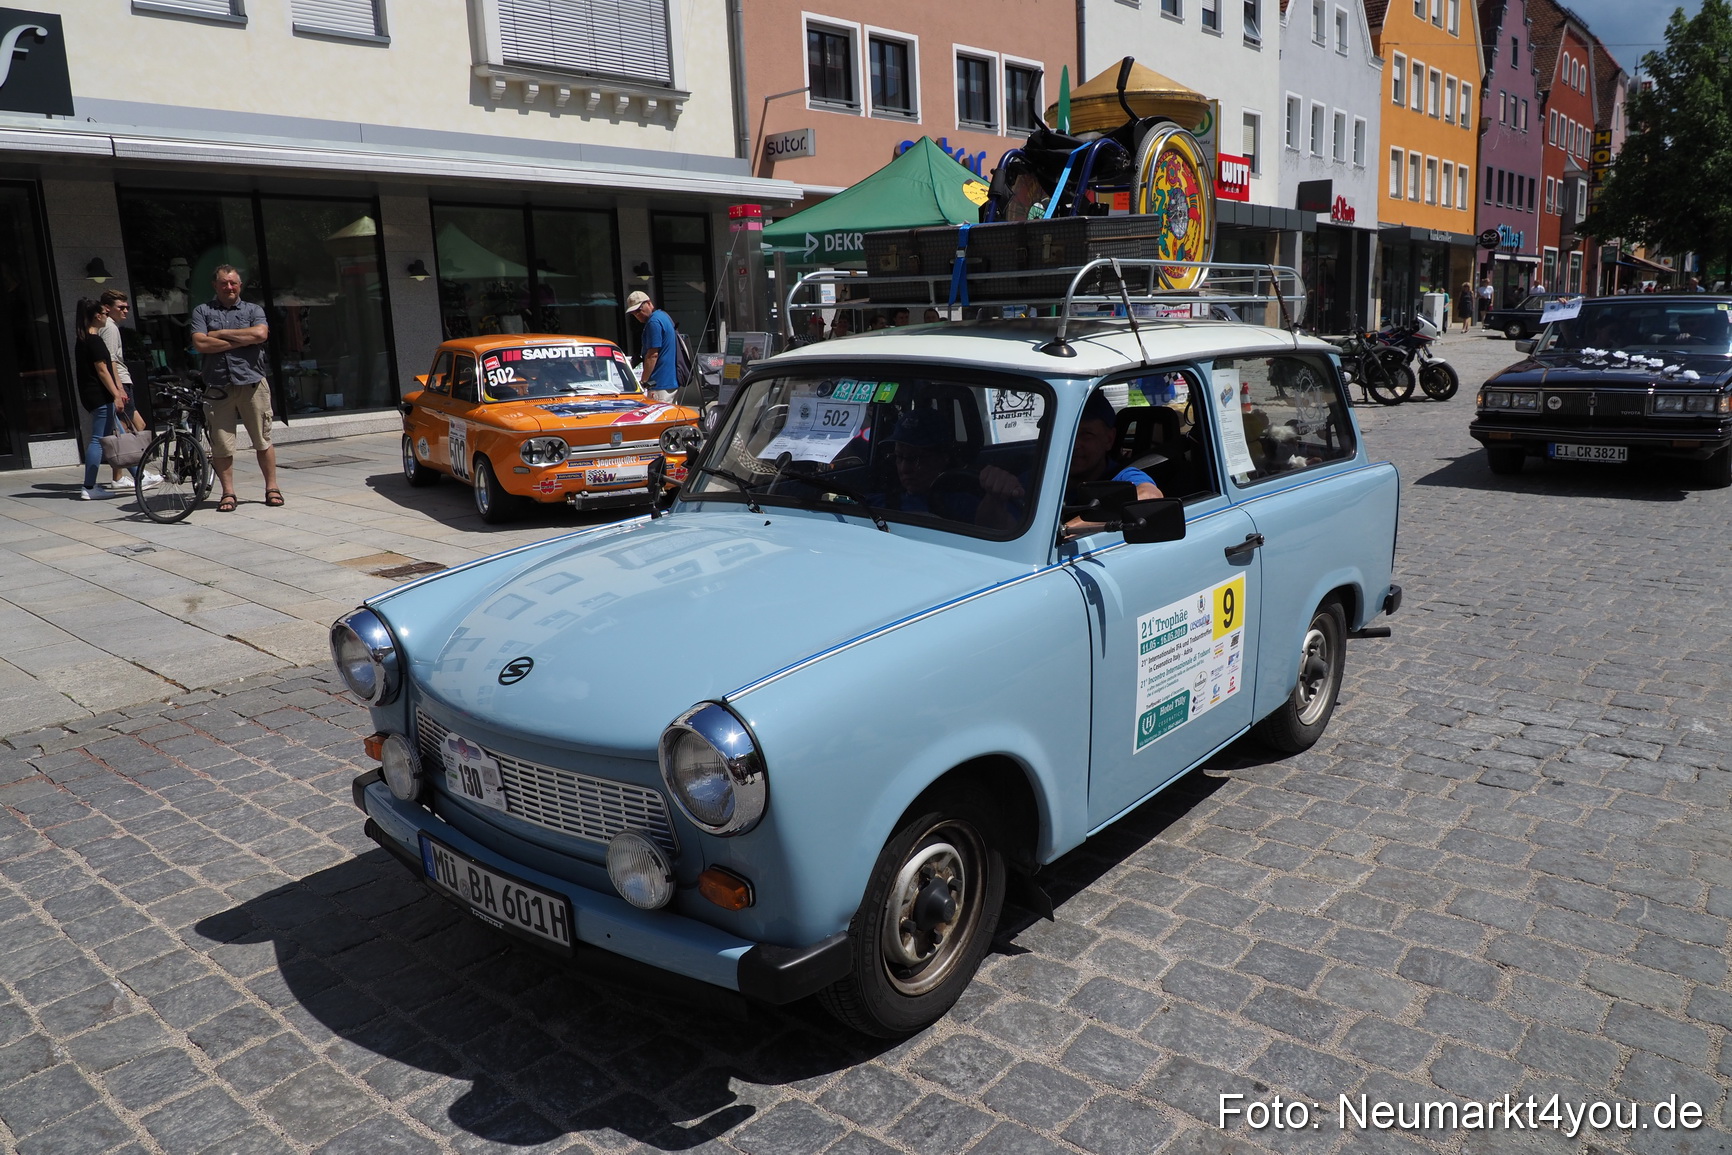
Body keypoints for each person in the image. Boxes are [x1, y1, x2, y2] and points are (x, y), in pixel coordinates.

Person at [192, 265, 282, 511]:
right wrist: (243, 339)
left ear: (240, 285)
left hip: (252, 383)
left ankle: (272, 488)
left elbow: (261, 334)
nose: (229, 287)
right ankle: (228, 493)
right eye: (224, 283)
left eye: (233, 283)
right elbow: (200, 342)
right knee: (221, 445)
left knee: (262, 440)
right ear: (216, 285)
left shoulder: (254, 309)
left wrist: (220, 334)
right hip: (217, 385)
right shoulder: (202, 310)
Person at [97, 289, 161, 491]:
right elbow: (110, 360)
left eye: (127, 307)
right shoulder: (109, 328)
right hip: (121, 382)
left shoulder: (106, 326)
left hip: (121, 382)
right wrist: (118, 389)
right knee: (131, 429)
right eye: (121, 307)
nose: (125, 311)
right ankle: (132, 473)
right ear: (107, 308)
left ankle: (124, 474)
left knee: (130, 428)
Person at [74, 299, 136, 501]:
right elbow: (103, 370)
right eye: (105, 313)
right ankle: (89, 486)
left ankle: (140, 475)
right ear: (97, 316)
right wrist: (116, 394)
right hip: (100, 396)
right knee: (98, 440)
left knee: (119, 436)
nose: (108, 316)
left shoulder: (82, 339)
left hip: (93, 396)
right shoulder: (94, 340)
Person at [626, 290, 678, 401]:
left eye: (639, 310)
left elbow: (652, 355)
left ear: (649, 303)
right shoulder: (663, 316)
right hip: (669, 382)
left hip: (659, 384)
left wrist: (643, 382)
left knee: (659, 418)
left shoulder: (653, 322)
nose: (637, 315)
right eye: (633, 313)